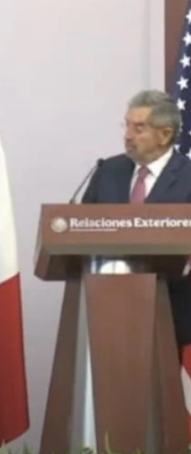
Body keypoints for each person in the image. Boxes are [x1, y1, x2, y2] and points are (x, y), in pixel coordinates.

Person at [82, 88, 191, 350]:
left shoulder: (188, 177)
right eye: (127, 125)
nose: (128, 135)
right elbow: (82, 225)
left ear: (165, 135)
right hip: (109, 304)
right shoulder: (108, 170)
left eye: (139, 128)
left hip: (172, 307)